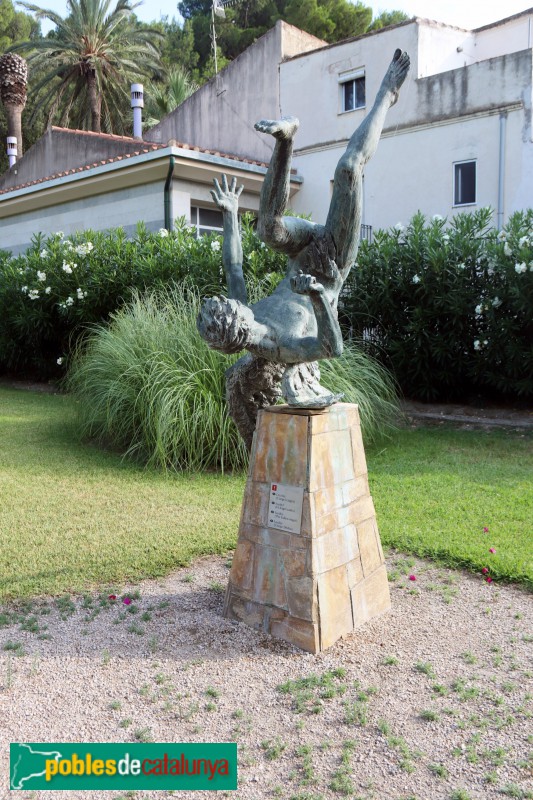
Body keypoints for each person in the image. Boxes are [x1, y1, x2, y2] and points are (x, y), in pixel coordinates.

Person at [198, 49, 410, 448]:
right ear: (239, 332)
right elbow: (332, 347)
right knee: (348, 168)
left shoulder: (245, 313)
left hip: (300, 250)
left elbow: (235, 267)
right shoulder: (283, 347)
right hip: (330, 259)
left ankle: (286, 139)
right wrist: (317, 296)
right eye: (234, 309)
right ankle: (386, 94)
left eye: (234, 304)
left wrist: (228, 215)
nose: (236, 303)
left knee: (267, 229)